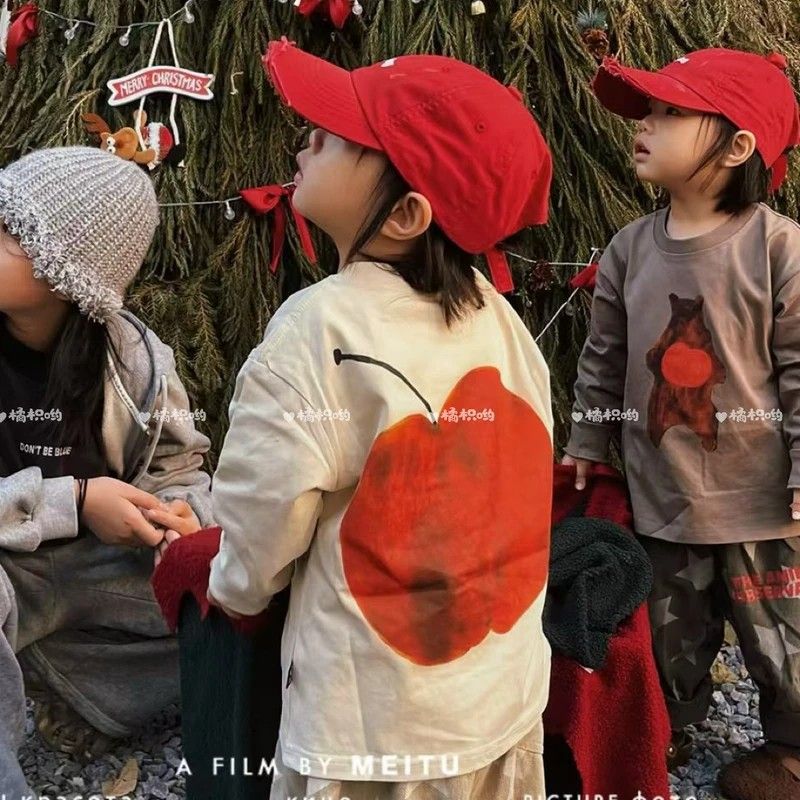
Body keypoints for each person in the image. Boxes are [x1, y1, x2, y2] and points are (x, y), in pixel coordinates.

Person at [178, 38, 555, 800]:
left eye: (336, 135)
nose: (305, 139)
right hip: (498, 698)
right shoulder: (500, 320)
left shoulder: (318, 329)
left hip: (371, 723)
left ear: (407, 213)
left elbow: (265, 505)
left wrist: (234, 590)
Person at [563, 49, 800, 798]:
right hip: (661, 494)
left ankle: (790, 752)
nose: (644, 125)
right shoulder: (629, 249)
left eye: (670, 113)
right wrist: (586, 437)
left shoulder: (779, 248)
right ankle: (661, 731)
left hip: (763, 503)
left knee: (785, 639)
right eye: (647, 111)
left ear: (736, 147)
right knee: (669, 631)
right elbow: (603, 357)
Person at [0, 146, 213, 794]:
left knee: (229, 585)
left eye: (10, 232)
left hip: (100, 570)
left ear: (68, 276)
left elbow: (178, 463)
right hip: (9, 568)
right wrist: (76, 499)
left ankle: (81, 695)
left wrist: (179, 516)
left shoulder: (134, 361)